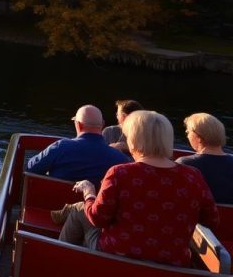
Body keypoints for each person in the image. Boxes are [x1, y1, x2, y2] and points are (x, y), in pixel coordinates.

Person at [58, 110, 219, 268]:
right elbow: (211, 220)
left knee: (80, 210)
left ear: (134, 141)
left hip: (115, 257)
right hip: (173, 264)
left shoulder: (119, 173)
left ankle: (61, 262)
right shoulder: (193, 176)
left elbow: (97, 218)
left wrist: (89, 192)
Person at [26, 105, 130, 186]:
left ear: (78, 125)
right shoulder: (120, 159)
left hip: (54, 206)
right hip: (94, 211)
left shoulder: (61, 147)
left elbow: (31, 168)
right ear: (102, 125)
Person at [177, 112, 233, 204]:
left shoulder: (185, 164)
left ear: (199, 137)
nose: (187, 136)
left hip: (199, 218)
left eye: (188, 132)